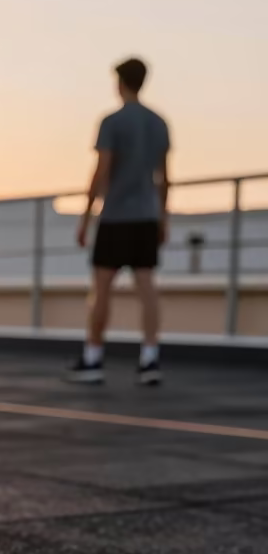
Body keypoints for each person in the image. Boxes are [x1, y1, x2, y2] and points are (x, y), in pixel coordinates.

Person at [66, 57, 170, 385]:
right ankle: (150, 359)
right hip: (146, 216)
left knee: (101, 289)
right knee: (147, 288)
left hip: (114, 217)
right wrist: (163, 218)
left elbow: (101, 170)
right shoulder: (159, 122)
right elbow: (165, 178)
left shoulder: (112, 122)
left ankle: (94, 358)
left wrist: (85, 218)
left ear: (120, 83)